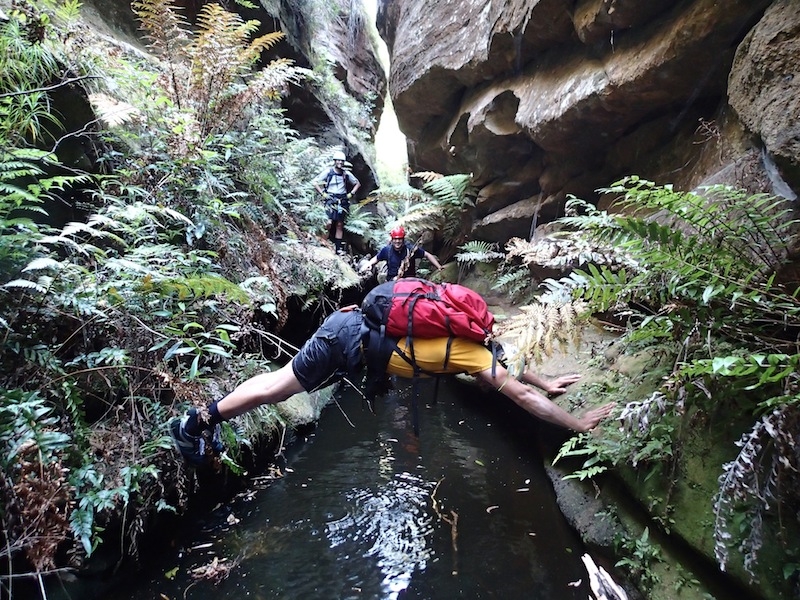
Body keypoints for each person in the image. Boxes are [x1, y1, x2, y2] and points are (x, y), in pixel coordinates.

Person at [169, 306, 616, 466]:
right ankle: (196, 421)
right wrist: (579, 426)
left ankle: (205, 418)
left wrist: (548, 381)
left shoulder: (460, 338)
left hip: (347, 325)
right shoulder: (475, 355)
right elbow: (518, 392)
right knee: (279, 387)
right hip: (346, 342)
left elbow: (516, 373)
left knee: (281, 383)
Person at [313, 150, 361, 254]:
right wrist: (323, 193)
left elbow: (357, 183)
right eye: (338, 160)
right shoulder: (328, 172)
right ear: (335, 161)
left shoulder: (346, 173)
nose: (340, 162)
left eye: (342, 161)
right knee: (329, 222)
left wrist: (351, 194)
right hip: (330, 198)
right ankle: (323, 243)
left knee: (339, 224)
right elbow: (315, 182)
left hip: (342, 199)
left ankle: (338, 248)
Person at [361, 226, 443, 280]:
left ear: (403, 239)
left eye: (399, 239)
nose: (397, 241)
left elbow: (427, 255)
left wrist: (439, 267)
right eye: (395, 239)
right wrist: (368, 264)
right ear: (392, 239)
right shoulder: (387, 250)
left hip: (408, 281)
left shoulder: (410, 249)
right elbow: (377, 258)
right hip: (392, 281)